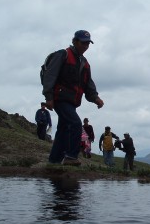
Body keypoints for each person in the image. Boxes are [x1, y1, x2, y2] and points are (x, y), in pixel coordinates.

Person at [41, 30, 104, 165]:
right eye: (83, 43)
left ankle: (54, 161)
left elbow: (88, 84)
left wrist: (96, 98)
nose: (86, 46)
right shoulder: (63, 55)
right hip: (60, 98)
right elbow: (50, 76)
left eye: (88, 43)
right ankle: (71, 157)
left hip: (72, 102)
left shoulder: (84, 63)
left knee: (63, 129)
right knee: (75, 124)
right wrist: (49, 98)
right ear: (74, 41)